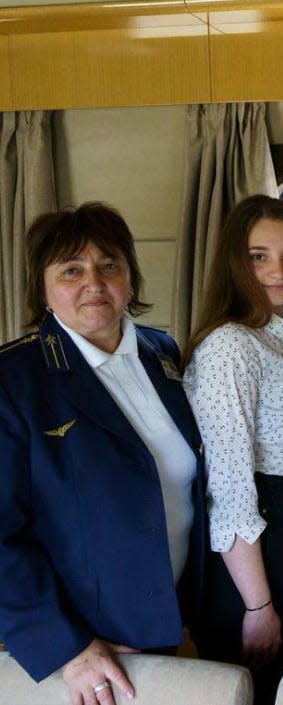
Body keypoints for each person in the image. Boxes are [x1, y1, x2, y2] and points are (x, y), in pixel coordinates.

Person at [0, 203, 206, 705]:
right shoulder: (15, 380)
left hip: (170, 622)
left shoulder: (165, 354)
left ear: (130, 279)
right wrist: (69, 648)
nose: (93, 281)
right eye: (71, 268)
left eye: (108, 265)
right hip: (84, 645)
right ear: (43, 290)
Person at [183, 195, 283, 705]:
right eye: (259, 256)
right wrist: (257, 604)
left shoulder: (281, 335)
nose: (278, 270)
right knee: (255, 687)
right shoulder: (231, 345)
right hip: (252, 551)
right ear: (235, 262)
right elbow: (228, 488)